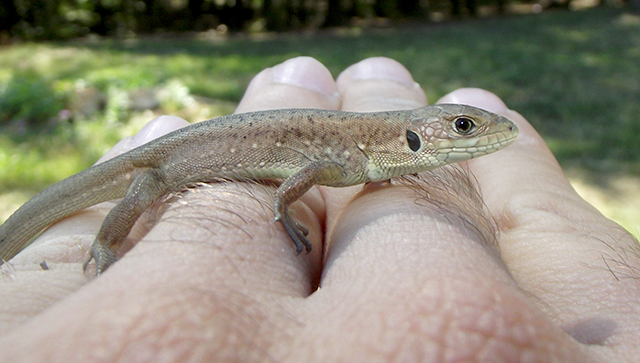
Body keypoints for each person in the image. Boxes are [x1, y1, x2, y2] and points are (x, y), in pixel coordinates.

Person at [0, 57, 638, 362]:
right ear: (416, 135)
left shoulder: (375, 154)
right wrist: (281, 206)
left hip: (190, 158)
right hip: (161, 165)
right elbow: (305, 174)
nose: (480, 136)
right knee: (141, 197)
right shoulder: (353, 154)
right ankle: (107, 246)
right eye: (464, 128)